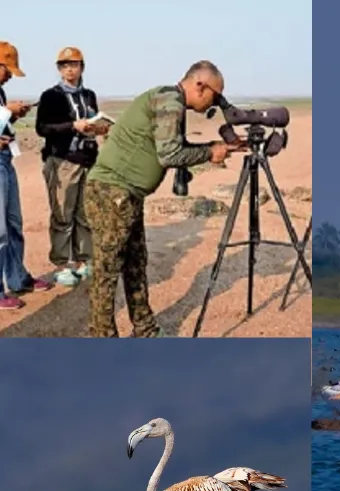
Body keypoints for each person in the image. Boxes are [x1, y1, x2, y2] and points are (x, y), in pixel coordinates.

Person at [84, 60, 240, 337]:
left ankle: (145, 330)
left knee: (135, 264)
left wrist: (217, 148)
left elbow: (173, 149)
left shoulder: (169, 99)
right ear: (200, 86)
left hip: (126, 194)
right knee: (107, 272)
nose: (214, 105)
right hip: (112, 193)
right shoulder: (171, 102)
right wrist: (209, 153)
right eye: (215, 97)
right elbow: (169, 155)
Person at [36, 46, 106, 288]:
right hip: (62, 160)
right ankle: (62, 265)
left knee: (85, 213)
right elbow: (42, 128)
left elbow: (94, 120)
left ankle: (84, 259)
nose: (69, 69)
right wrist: (72, 126)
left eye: (74, 64)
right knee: (62, 214)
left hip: (87, 160)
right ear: (59, 69)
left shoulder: (89, 95)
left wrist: (99, 128)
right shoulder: (51, 96)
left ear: (82, 67)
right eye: (64, 65)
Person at [0, 41, 54, 312]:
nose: (10, 75)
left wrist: (11, 113)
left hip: (5, 160)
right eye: (7, 70)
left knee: (13, 223)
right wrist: (9, 111)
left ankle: (18, 278)